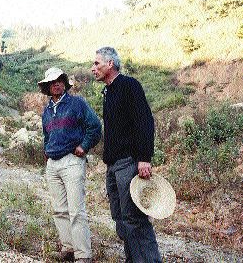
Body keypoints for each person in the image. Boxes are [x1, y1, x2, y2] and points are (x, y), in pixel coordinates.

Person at [91, 47, 162, 262]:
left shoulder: (130, 86)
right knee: (120, 217)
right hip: (113, 165)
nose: (93, 68)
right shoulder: (108, 91)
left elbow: (145, 122)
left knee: (134, 218)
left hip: (128, 163)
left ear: (110, 64)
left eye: (97, 63)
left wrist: (144, 158)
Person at [39, 67, 102, 263]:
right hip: (53, 163)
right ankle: (68, 248)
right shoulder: (46, 111)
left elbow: (95, 126)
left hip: (72, 161)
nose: (56, 84)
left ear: (65, 83)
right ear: (48, 87)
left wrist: (84, 146)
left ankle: (83, 255)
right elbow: (47, 136)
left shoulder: (77, 104)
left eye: (60, 80)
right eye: (52, 82)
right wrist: (47, 154)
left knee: (76, 210)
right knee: (59, 209)